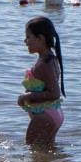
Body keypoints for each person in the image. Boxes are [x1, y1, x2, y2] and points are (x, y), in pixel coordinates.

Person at [18, 16, 64, 148]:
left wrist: (26, 97)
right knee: (47, 153)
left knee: (34, 153)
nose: (25, 41)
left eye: (28, 37)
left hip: (45, 116)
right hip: (52, 113)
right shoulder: (50, 59)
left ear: (40, 39)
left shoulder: (45, 64)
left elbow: (55, 93)